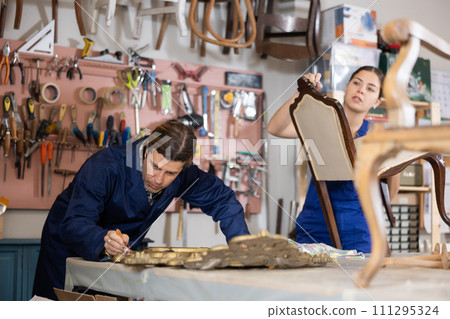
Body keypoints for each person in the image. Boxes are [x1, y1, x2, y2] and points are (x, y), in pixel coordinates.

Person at [33, 121, 250, 300]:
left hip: (119, 256)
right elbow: (76, 222)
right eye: (154, 166)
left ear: (182, 168)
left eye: (170, 173)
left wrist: (241, 244)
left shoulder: (183, 174)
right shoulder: (105, 165)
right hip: (67, 248)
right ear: (147, 147)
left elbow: (223, 199)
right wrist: (103, 241)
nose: (158, 179)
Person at [268, 66, 400, 253]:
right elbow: (275, 128)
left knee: (356, 281)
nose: (361, 90)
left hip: (358, 232)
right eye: (356, 83)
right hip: (314, 226)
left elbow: (390, 194)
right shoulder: (320, 124)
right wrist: (302, 92)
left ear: (376, 101)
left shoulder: (379, 137)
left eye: (370, 88)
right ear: (346, 87)